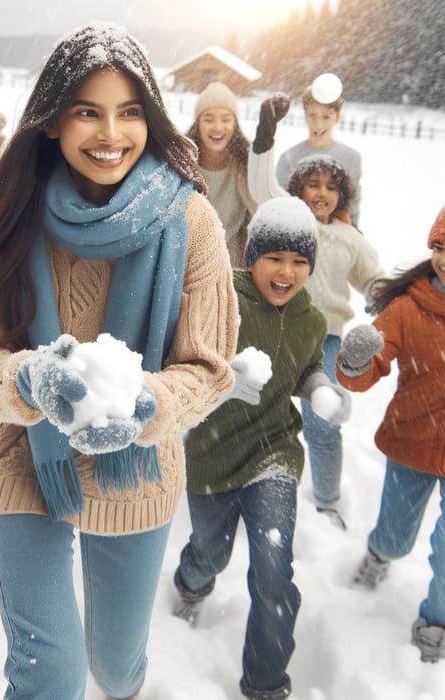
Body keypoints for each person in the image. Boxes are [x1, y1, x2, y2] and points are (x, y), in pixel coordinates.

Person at [0, 23, 238, 700]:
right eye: (87, 111)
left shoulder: (191, 223)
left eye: (129, 112)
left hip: (138, 468)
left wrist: (145, 406)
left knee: (114, 667)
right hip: (24, 457)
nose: (110, 133)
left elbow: (209, 367)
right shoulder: (5, 212)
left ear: (151, 119)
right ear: (52, 123)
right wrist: (30, 380)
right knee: (48, 676)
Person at [174, 196, 351, 700]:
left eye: (299, 261)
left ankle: (266, 684)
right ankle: (192, 582)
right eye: (275, 258)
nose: (286, 271)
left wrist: (319, 388)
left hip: (274, 453)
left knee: (274, 573)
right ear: (252, 258)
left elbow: (308, 364)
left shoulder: (310, 319)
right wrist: (222, 380)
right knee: (212, 553)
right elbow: (183, 355)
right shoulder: (218, 299)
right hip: (212, 453)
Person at [248, 93, 383, 529]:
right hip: (279, 330)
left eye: (331, 187)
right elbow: (258, 185)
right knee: (261, 412)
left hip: (325, 338)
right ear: (298, 189)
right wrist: (266, 134)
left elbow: (375, 280)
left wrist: (392, 298)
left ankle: (326, 500)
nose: (321, 193)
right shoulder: (288, 222)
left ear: (342, 195)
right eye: (312, 184)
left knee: (324, 420)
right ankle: (257, 486)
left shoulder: (350, 238)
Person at [336, 206, 445, 663]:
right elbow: (365, 371)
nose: (444, 259)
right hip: (412, 443)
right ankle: (379, 555)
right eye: (440, 247)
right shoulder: (408, 308)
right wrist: (355, 361)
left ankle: (435, 621)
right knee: (396, 538)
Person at [187, 81, 256, 267]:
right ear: (198, 124)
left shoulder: (245, 166)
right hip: (189, 264)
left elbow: (264, 207)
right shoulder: (181, 165)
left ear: (235, 125)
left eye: (226, 119)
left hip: (232, 267)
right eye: (208, 119)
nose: (218, 127)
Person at [275, 83, 362, 226]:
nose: (318, 125)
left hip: (336, 237)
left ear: (337, 117)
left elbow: (353, 207)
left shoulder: (351, 158)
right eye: (312, 116)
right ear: (305, 116)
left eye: (326, 117)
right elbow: (278, 205)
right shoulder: (289, 157)